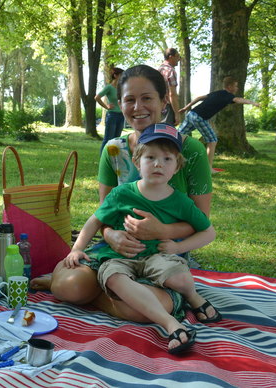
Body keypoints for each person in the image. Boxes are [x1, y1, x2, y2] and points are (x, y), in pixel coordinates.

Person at [32, 65, 217, 329]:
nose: (138, 106)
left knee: (147, 311)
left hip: (163, 257)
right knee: (68, 286)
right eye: (130, 99)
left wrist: (160, 230)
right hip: (117, 252)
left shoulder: (189, 150)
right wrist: (110, 235)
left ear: (164, 100)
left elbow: (201, 221)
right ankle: (90, 289)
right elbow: (104, 214)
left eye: (147, 98)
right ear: (120, 103)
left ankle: (99, 295)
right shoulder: (113, 150)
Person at [64, 123, 220, 354]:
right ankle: (171, 325)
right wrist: (76, 248)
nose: (158, 164)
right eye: (151, 157)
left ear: (177, 167)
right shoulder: (122, 193)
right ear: (138, 162)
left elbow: (209, 232)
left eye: (167, 159)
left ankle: (192, 296)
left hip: (158, 255)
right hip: (121, 256)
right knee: (114, 277)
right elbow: (95, 220)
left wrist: (179, 248)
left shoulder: (180, 202)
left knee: (182, 280)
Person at [179, 76, 260, 172]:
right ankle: (208, 168)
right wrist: (252, 102)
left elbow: (199, 98)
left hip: (191, 114)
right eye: (235, 86)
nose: (237, 88)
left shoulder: (217, 93)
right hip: (199, 118)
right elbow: (238, 100)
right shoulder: (228, 95)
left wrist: (186, 108)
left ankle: (171, 156)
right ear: (229, 87)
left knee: (178, 135)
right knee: (212, 140)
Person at [96, 67, 126, 153]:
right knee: (108, 139)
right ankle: (103, 159)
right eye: (121, 75)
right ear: (115, 75)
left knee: (117, 140)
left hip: (121, 116)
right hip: (112, 115)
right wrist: (106, 106)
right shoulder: (109, 87)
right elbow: (97, 97)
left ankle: (112, 159)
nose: (123, 77)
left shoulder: (122, 88)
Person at [158, 48, 181, 126]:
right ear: (171, 57)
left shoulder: (158, 70)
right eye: (177, 56)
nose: (179, 59)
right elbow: (172, 94)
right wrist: (177, 114)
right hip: (167, 107)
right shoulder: (171, 71)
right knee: (166, 133)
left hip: (157, 106)